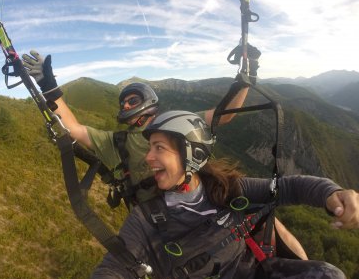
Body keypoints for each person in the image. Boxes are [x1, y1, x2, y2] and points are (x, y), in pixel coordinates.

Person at [22, 50, 307, 259]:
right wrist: (49, 84)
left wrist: (246, 79)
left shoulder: (177, 123)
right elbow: (72, 127)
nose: (126, 105)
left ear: (147, 101)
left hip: (204, 197)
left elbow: (224, 115)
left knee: (269, 222)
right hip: (162, 220)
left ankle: (303, 266)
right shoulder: (116, 142)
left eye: (132, 99)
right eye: (123, 102)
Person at [89, 110, 359, 279]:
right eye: (150, 149)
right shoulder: (146, 218)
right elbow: (110, 271)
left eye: (159, 148)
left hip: (255, 278)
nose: (148, 158)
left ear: (191, 155)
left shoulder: (226, 188)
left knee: (331, 278)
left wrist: (331, 193)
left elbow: (290, 187)